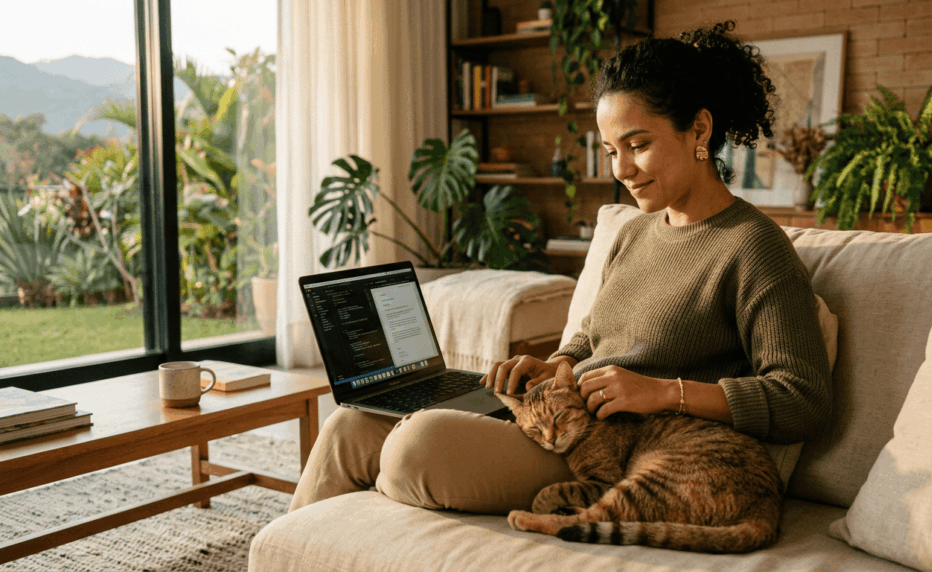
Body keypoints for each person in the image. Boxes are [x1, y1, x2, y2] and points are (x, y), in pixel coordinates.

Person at [288, 20, 831, 515]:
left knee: (413, 447)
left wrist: (665, 392)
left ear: (699, 131)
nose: (623, 170)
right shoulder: (636, 233)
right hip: (557, 420)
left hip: (619, 454)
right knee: (349, 426)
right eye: (611, 150)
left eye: (637, 145)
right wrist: (553, 365)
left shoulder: (753, 246)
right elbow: (594, 336)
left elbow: (802, 398)